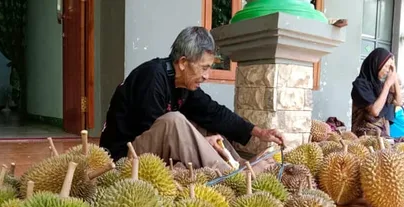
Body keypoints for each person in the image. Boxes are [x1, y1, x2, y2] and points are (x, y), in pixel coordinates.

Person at [99, 26, 285, 172]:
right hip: (122, 159)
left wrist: (260, 132)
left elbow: (213, 112)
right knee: (174, 121)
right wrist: (203, 142)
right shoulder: (151, 77)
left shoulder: (183, 84)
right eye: (204, 68)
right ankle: (230, 175)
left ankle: (241, 165)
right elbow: (156, 131)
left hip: (147, 151)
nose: (207, 75)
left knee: (207, 125)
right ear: (182, 63)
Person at [351, 48, 403, 137]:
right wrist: (387, 85)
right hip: (364, 136)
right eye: (386, 66)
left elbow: (399, 102)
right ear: (377, 63)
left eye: (389, 67)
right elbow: (375, 111)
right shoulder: (360, 85)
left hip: (382, 136)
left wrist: (394, 76)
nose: (387, 70)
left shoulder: (380, 86)